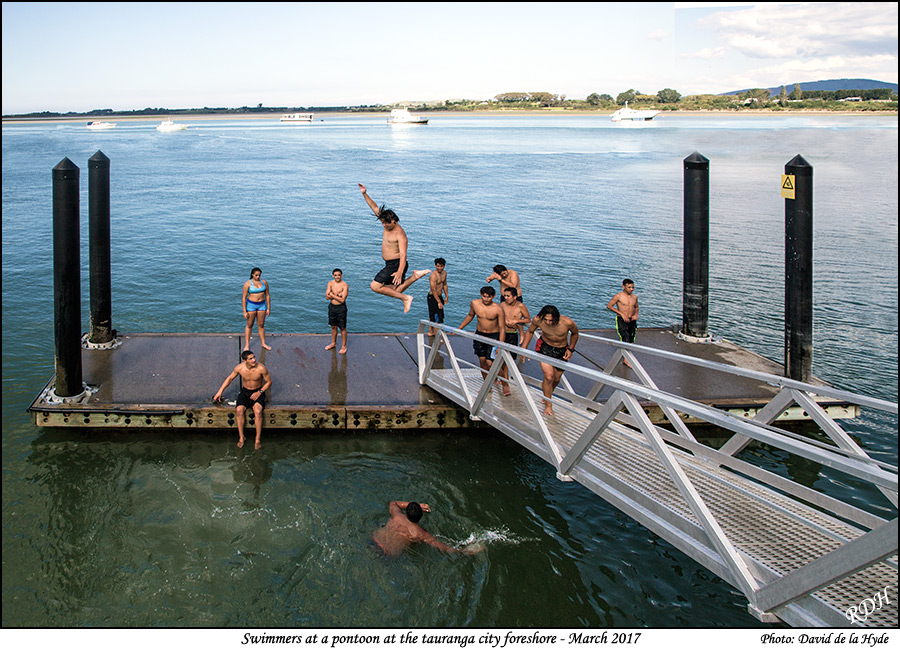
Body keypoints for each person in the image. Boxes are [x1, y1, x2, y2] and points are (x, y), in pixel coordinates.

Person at [358, 183, 431, 313]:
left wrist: (399, 271)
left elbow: (403, 255)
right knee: (394, 290)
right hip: (390, 263)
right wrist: (364, 193)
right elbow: (374, 207)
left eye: (386, 223)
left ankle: (406, 298)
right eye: (382, 223)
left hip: (396, 264)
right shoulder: (386, 222)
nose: (384, 225)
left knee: (375, 286)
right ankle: (415, 276)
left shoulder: (400, 234)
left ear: (394, 221)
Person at [521, 305, 579, 416]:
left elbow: (575, 333)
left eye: (551, 320)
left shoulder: (567, 322)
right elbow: (530, 331)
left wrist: (571, 349)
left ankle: (547, 394)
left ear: (556, 318)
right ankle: (548, 404)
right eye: (546, 320)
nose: (547, 322)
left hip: (562, 350)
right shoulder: (538, 320)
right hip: (545, 348)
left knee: (556, 378)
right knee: (548, 376)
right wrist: (524, 348)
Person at [371, 501, 480, 557]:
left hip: (374, 540)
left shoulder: (396, 515)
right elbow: (444, 548)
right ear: (421, 516)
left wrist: (415, 504)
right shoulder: (420, 533)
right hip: (388, 554)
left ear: (406, 512)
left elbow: (393, 503)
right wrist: (464, 551)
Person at [212, 350, 273, 449]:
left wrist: (260, 392)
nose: (254, 360)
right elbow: (229, 379)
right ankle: (241, 437)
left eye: (254, 357)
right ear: (245, 361)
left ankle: (257, 439)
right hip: (245, 392)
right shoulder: (239, 368)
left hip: (258, 392)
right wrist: (220, 392)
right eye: (251, 359)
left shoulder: (261, 368)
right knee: (239, 410)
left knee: (258, 411)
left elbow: (269, 382)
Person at [458, 286, 508, 395]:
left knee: (491, 362)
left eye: (488, 297)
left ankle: (505, 384)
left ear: (493, 297)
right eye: (484, 296)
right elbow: (470, 315)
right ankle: (487, 386)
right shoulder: (475, 304)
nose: (486, 299)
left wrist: (500, 344)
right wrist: (460, 328)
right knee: (482, 362)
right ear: (481, 295)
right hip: (480, 335)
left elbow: (502, 328)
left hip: (493, 336)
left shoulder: (498, 309)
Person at [606, 278, 639, 368]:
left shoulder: (634, 297)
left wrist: (636, 315)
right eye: (629, 287)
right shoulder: (619, 296)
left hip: (632, 320)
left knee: (631, 339)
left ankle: (624, 357)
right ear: (623, 287)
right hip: (622, 320)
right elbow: (609, 306)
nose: (631, 289)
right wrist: (621, 314)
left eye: (632, 287)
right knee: (625, 338)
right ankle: (626, 360)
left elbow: (636, 307)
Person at [242, 267, 271, 351]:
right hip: (251, 305)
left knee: (261, 325)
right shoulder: (247, 284)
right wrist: (244, 311)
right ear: (252, 275)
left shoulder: (264, 282)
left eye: (259, 275)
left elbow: (268, 295)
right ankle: (247, 345)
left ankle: (263, 343)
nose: (258, 277)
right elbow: (244, 298)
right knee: (249, 324)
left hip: (262, 305)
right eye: (256, 275)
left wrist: (268, 308)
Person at [325, 268, 349, 354]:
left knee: (342, 327)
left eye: (339, 275)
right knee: (333, 326)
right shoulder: (330, 283)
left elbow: (342, 300)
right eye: (335, 275)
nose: (337, 277)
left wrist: (332, 294)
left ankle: (343, 346)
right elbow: (327, 297)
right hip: (332, 307)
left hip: (341, 308)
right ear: (333, 276)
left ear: (341, 275)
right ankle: (333, 343)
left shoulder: (344, 285)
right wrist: (337, 295)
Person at [427, 257, 448, 336]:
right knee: (436, 316)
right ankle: (437, 335)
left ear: (444, 266)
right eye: (438, 266)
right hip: (432, 297)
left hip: (439, 296)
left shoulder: (444, 273)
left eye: (441, 266)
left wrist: (446, 296)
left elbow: (445, 285)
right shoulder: (433, 276)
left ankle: (430, 331)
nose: (439, 268)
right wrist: (439, 302)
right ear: (435, 265)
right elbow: (433, 289)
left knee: (435, 315)